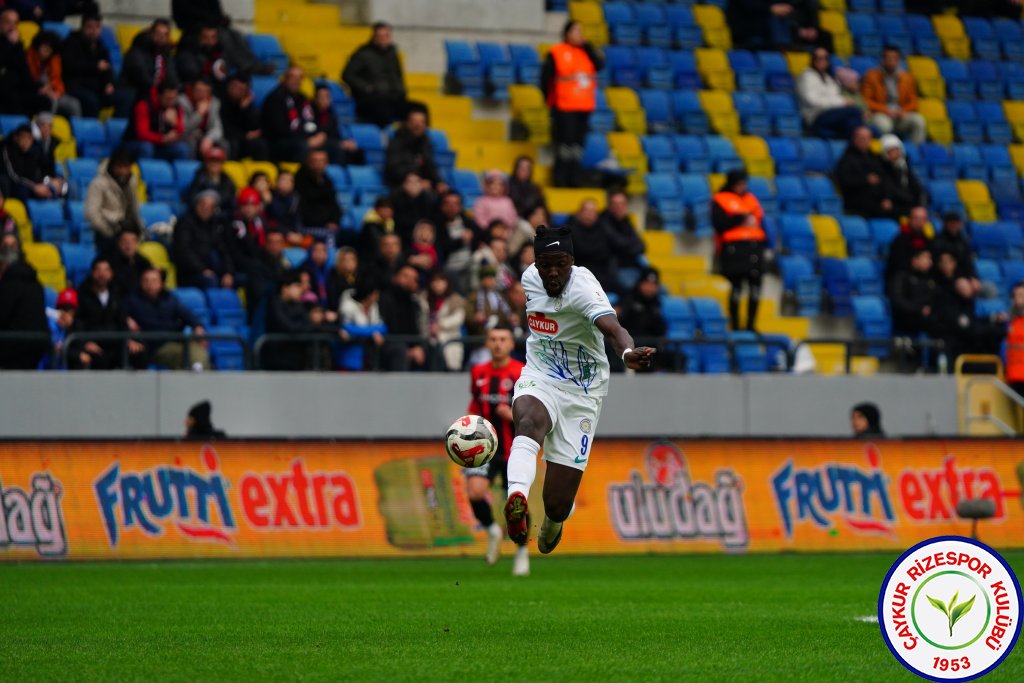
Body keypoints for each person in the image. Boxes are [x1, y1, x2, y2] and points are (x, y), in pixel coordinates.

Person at [502, 225, 655, 552]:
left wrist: (628, 353)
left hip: (581, 393)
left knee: (557, 503)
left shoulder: (583, 289)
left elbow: (613, 329)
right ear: (536, 263)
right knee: (527, 423)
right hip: (540, 375)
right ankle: (516, 496)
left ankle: (553, 523)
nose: (553, 272)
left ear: (571, 261)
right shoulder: (529, 279)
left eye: (561, 264)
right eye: (546, 265)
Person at [461, 324, 530, 574]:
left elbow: (534, 412)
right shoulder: (478, 372)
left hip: (516, 449)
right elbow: (475, 403)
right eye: (493, 339)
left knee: (517, 504)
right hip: (486, 447)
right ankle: (492, 531)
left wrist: (513, 415)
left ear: (512, 344)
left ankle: (522, 550)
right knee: (475, 492)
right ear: (487, 344)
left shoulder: (522, 372)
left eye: (503, 339)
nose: (498, 343)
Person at [543, 21, 603, 188]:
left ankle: (575, 179)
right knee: (564, 146)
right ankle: (561, 180)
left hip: (584, 107)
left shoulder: (586, 52)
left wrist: (588, 47)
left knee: (578, 147)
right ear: (567, 33)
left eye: (581, 31)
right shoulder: (557, 52)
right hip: (564, 107)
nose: (579, 34)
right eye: (576, 30)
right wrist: (549, 101)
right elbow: (545, 78)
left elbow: (599, 65)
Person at [712, 169, 767, 331]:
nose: (742, 187)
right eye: (739, 184)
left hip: (755, 248)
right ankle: (735, 324)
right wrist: (740, 218)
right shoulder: (720, 199)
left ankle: (751, 324)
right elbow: (719, 224)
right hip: (735, 250)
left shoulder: (751, 199)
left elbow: (760, 221)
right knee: (736, 288)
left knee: (755, 289)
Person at [125, 267, 209, 370]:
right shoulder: (132, 301)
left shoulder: (169, 298)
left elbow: (187, 315)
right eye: (146, 281)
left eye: (154, 281)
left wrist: (198, 326)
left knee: (198, 350)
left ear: (161, 283)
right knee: (180, 354)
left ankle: (200, 372)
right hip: (154, 346)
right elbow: (121, 319)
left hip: (176, 339)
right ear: (140, 283)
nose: (150, 284)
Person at [75, 255, 142, 369]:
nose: (102, 274)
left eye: (106, 270)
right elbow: (77, 322)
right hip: (94, 342)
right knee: (99, 359)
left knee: (139, 353)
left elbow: (122, 321)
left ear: (111, 273)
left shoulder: (117, 294)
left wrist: (130, 339)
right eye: (98, 270)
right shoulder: (81, 295)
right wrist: (84, 343)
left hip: (116, 342)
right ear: (92, 272)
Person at [264, 270, 336, 371]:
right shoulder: (274, 305)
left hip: (297, 360)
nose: (301, 289)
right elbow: (290, 327)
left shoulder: (298, 305)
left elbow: (307, 324)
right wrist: (307, 326)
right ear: (285, 288)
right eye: (296, 286)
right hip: (277, 362)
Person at [341, 21, 406, 127]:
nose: (384, 39)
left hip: (393, 97)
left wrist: (401, 91)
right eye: (380, 36)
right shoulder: (363, 54)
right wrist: (366, 88)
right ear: (374, 37)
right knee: (383, 109)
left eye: (386, 36)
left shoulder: (393, 54)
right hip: (370, 99)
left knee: (418, 110)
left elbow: (398, 76)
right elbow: (347, 75)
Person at [0, 233, 49, 369]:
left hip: (13, 347)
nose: (8, 249)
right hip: (35, 346)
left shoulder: (9, 283)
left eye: (12, 246)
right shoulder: (35, 281)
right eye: (5, 246)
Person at [862, 45, 927, 144]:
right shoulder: (871, 76)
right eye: (888, 58)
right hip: (880, 113)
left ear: (898, 60)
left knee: (919, 121)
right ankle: (886, 152)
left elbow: (913, 101)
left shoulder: (907, 78)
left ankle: (916, 151)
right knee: (884, 126)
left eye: (894, 58)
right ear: (882, 59)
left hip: (900, 114)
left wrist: (903, 111)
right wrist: (886, 110)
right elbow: (866, 101)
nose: (891, 61)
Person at [84, 148, 144, 255]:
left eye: (126, 167)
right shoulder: (98, 183)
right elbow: (91, 213)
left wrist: (140, 230)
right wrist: (109, 233)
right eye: (119, 166)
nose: (122, 171)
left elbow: (134, 209)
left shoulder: (131, 182)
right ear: (112, 166)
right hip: (106, 232)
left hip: (125, 230)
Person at [172, 189, 235, 289]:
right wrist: (202, 269)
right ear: (196, 204)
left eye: (210, 206)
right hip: (191, 272)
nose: (206, 208)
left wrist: (228, 272)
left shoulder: (215, 225)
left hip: (212, 269)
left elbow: (224, 250)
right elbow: (184, 251)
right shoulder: (184, 223)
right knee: (210, 281)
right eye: (203, 204)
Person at [797, 47, 864, 140]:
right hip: (816, 116)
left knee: (853, 123)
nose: (822, 61)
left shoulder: (829, 78)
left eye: (825, 58)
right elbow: (812, 100)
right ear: (812, 59)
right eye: (818, 58)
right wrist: (841, 102)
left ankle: (858, 143)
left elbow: (835, 97)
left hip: (833, 114)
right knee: (854, 112)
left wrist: (841, 102)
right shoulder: (807, 76)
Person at [261, 66, 324, 163]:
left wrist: (320, 134)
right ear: (285, 78)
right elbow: (278, 129)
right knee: (302, 146)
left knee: (333, 147)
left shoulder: (303, 98)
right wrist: (306, 140)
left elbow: (312, 120)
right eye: (293, 77)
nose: (296, 81)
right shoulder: (275, 98)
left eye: (299, 78)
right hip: (279, 142)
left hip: (302, 138)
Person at [116, 19, 179, 117]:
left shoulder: (166, 54)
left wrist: (173, 89)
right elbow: (141, 77)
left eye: (165, 35)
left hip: (158, 92)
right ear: (151, 33)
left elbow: (171, 75)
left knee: (178, 99)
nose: (161, 37)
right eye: (158, 33)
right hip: (137, 91)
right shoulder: (137, 51)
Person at [61, 12, 115, 117]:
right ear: (82, 27)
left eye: (97, 27)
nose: (93, 31)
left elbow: (107, 68)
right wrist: (95, 66)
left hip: (96, 85)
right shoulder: (71, 42)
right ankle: (90, 129)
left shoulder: (101, 46)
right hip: (75, 85)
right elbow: (70, 66)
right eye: (90, 27)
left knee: (123, 97)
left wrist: (109, 83)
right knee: (91, 100)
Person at [124, 80, 191, 162]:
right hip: (136, 143)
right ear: (159, 96)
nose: (171, 102)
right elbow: (142, 134)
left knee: (182, 149)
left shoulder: (177, 108)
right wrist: (162, 139)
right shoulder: (144, 106)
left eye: (173, 98)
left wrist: (175, 123)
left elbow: (180, 131)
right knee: (147, 148)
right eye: (168, 98)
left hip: (161, 146)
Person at [727, 0, 832, 51]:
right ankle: (783, 48)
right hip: (745, 24)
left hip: (775, 23)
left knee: (825, 36)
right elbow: (748, 6)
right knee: (772, 24)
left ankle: (829, 74)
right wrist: (770, 9)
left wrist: (809, 27)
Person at [835, 126, 893, 219]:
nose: (864, 141)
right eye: (861, 138)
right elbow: (844, 181)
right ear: (854, 139)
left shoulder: (874, 157)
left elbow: (885, 178)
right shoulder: (847, 159)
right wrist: (865, 180)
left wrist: (886, 198)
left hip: (877, 198)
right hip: (856, 199)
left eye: (867, 138)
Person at [0, 9, 50, 115]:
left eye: (15, 23)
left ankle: (37, 130)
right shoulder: (10, 44)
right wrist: (10, 44)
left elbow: (24, 73)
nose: (12, 27)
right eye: (8, 22)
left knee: (45, 101)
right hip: (3, 92)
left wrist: (39, 87)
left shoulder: (18, 45)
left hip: (17, 92)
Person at [379, 264, 427, 371]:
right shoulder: (385, 299)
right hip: (389, 343)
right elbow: (389, 327)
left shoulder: (416, 303)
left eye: (414, 279)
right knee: (400, 351)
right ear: (395, 278)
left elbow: (418, 329)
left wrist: (417, 346)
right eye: (406, 276)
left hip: (411, 343)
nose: (410, 281)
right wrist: (407, 348)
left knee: (431, 350)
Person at [1, 123, 66, 200]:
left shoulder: (35, 150)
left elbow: (44, 171)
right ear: (16, 138)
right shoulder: (7, 149)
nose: (26, 141)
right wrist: (34, 187)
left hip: (34, 184)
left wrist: (51, 180)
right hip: (15, 185)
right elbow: (13, 176)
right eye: (23, 137)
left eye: (29, 138)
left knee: (65, 187)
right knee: (22, 191)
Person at [566, 199, 618, 294]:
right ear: (579, 213)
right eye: (587, 210)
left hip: (601, 275)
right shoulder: (569, 231)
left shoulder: (604, 230)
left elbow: (608, 253)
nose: (589, 214)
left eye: (593, 211)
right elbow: (579, 252)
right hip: (576, 274)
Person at [26, 30, 82, 118]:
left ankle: (76, 129)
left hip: (52, 91)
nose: (46, 50)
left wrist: (56, 93)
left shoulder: (55, 60)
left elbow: (57, 80)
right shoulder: (29, 57)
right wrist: (42, 89)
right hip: (35, 92)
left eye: (50, 48)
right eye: (44, 46)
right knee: (51, 102)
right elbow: (27, 79)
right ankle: (46, 128)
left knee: (74, 104)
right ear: (38, 45)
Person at [618, 267, 667, 364]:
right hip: (630, 347)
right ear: (640, 284)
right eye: (647, 284)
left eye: (653, 285)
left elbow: (661, 330)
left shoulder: (656, 304)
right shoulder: (628, 299)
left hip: (650, 349)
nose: (649, 288)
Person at [384, 106, 441, 189]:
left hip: (422, 183)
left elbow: (431, 167)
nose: (418, 125)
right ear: (407, 123)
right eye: (414, 121)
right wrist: (417, 181)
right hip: (399, 184)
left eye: (422, 122)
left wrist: (439, 182)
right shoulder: (396, 143)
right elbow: (394, 169)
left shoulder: (426, 143)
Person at [338, 278, 386, 371]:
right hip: (349, 352)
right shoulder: (348, 305)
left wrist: (362, 331)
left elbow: (382, 327)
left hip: (367, 353)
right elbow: (346, 327)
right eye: (375, 294)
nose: (377, 297)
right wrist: (372, 331)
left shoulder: (374, 306)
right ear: (369, 294)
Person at [221, 74, 269, 161]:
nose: (236, 90)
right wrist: (244, 136)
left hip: (242, 139)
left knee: (261, 144)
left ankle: (260, 171)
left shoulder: (247, 105)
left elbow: (255, 127)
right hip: (227, 138)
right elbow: (224, 127)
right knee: (232, 144)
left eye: (241, 89)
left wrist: (245, 110)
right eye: (234, 86)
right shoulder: (221, 103)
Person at [889, 247, 935, 337]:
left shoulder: (930, 279)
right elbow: (898, 301)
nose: (930, 262)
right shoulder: (901, 277)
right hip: (905, 327)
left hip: (927, 326)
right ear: (915, 260)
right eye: (926, 258)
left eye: (930, 259)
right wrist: (919, 309)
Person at [313, 85, 363, 167]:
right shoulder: (310, 113)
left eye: (327, 97)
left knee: (357, 150)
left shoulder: (331, 113)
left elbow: (336, 134)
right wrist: (339, 143)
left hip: (333, 142)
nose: (324, 100)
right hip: (320, 145)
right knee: (337, 148)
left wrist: (346, 141)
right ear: (315, 98)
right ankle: (337, 173)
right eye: (321, 97)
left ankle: (356, 176)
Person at [294, 148, 342, 231]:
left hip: (327, 225)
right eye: (315, 160)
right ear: (308, 162)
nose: (319, 164)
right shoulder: (299, 180)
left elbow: (333, 203)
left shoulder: (327, 180)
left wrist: (334, 221)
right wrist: (324, 223)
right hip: (307, 226)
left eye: (322, 161)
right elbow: (302, 207)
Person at [425, 272, 465, 371]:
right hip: (428, 340)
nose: (437, 284)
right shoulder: (423, 299)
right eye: (434, 281)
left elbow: (458, 318)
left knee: (451, 368)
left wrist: (441, 324)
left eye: (441, 281)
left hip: (449, 338)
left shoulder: (456, 299)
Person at [185, 145, 235, 225]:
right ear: (206, 162)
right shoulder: (199, 178)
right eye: (211, 161)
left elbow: (232, 203)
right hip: (202, 218)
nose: (214, 164)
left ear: (222, 163)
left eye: (217, 161)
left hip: (224, 218)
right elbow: (192, 200)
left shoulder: (227, 181)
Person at [879, 134, 925, 219]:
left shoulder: (904, 167)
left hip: (909, 203)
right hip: (896, 206)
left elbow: (917, 188)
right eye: (891, 150)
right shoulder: (882, 168)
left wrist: (920, 206)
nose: (895, 153)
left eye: (897, 149)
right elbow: (888, 188)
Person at [885, 205, 933, 287]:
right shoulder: (900, 239)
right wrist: (916, 265)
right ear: (910, 219)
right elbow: (896, 264)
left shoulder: (927, 239)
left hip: (921, 279)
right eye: (916, 218)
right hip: (902, 282)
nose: (919, 222)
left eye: (922, 219)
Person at [931, 211, 980, 289]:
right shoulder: (938, 241)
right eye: (952, 223)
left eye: (957, 223)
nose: (954, 226)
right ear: (946, 224)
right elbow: (939, 265)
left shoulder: (963, 241)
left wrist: (973, 277)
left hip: (964, 277)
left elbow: (968, 262)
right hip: (946, 279)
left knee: (988, 289)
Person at [599, 190, 645, 272]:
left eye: (622, 203)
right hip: (613, 267)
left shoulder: (626, 221)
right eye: (615, 204)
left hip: (630, 263)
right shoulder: (603, 221)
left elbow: (641, 246)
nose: (619, 207)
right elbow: (616, 242)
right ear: (609, 205)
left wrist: (628, 246)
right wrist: (630, 245)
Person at [179, 78, 225, 158]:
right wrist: (199, 114)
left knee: (223, 144)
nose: (202, 94)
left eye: (206, 91)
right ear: (192, 90)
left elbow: (218, 128)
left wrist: (209, 138)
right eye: (199, 91)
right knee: (191, 143)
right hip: (188, 136)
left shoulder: (214, 103)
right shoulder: (182, 102)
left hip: (204, 137)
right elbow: (183, 129)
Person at [104, 225, 153, 297]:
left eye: (132, 241)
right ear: (118, 243)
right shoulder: (109, 261)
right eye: (125, 241)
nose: (128, 245)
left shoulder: (144, 262)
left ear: (137, 243)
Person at [391, 172, 436, 243]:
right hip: (404, 239)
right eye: (410, 182)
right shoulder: (396, 201)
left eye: (417, 181)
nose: (414, 185)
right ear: (403, 185)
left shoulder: (430, 200)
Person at [357, 197, 396, 266]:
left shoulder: (389, 223)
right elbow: (378, 245)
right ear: (377, 210)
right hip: (369, 261)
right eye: (385, 209)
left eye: (390, 209)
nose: (388, 212)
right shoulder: (370, 225)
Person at [1004, 282, 1024, 398]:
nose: (1017, 299)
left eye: (1021, 295)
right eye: (1015, 296)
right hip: (1013, 375)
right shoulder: (1010, 321)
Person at [327, 246, 360, 312]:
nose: (348, 262)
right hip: (341, 309)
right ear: (339, 262)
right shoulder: (334, 275)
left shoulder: (360, 275)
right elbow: (333, 298)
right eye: (344, 260)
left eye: (351, 259)